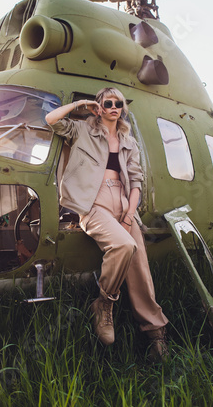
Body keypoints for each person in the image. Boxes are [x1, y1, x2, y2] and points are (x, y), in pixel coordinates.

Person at [45, 87, 169, 361]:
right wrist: (84, 104)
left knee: (140, 271)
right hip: (94, 203)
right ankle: (104, 303)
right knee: (124, 246)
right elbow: (51, 119)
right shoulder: (81, 130)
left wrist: (128, 214)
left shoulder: (128, 141)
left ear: (123, 108)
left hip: (124, 204)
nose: (114, 107)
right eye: (107, 102)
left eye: (118, 103)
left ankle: (155, 335)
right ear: (100, 106)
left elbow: (136, 182)